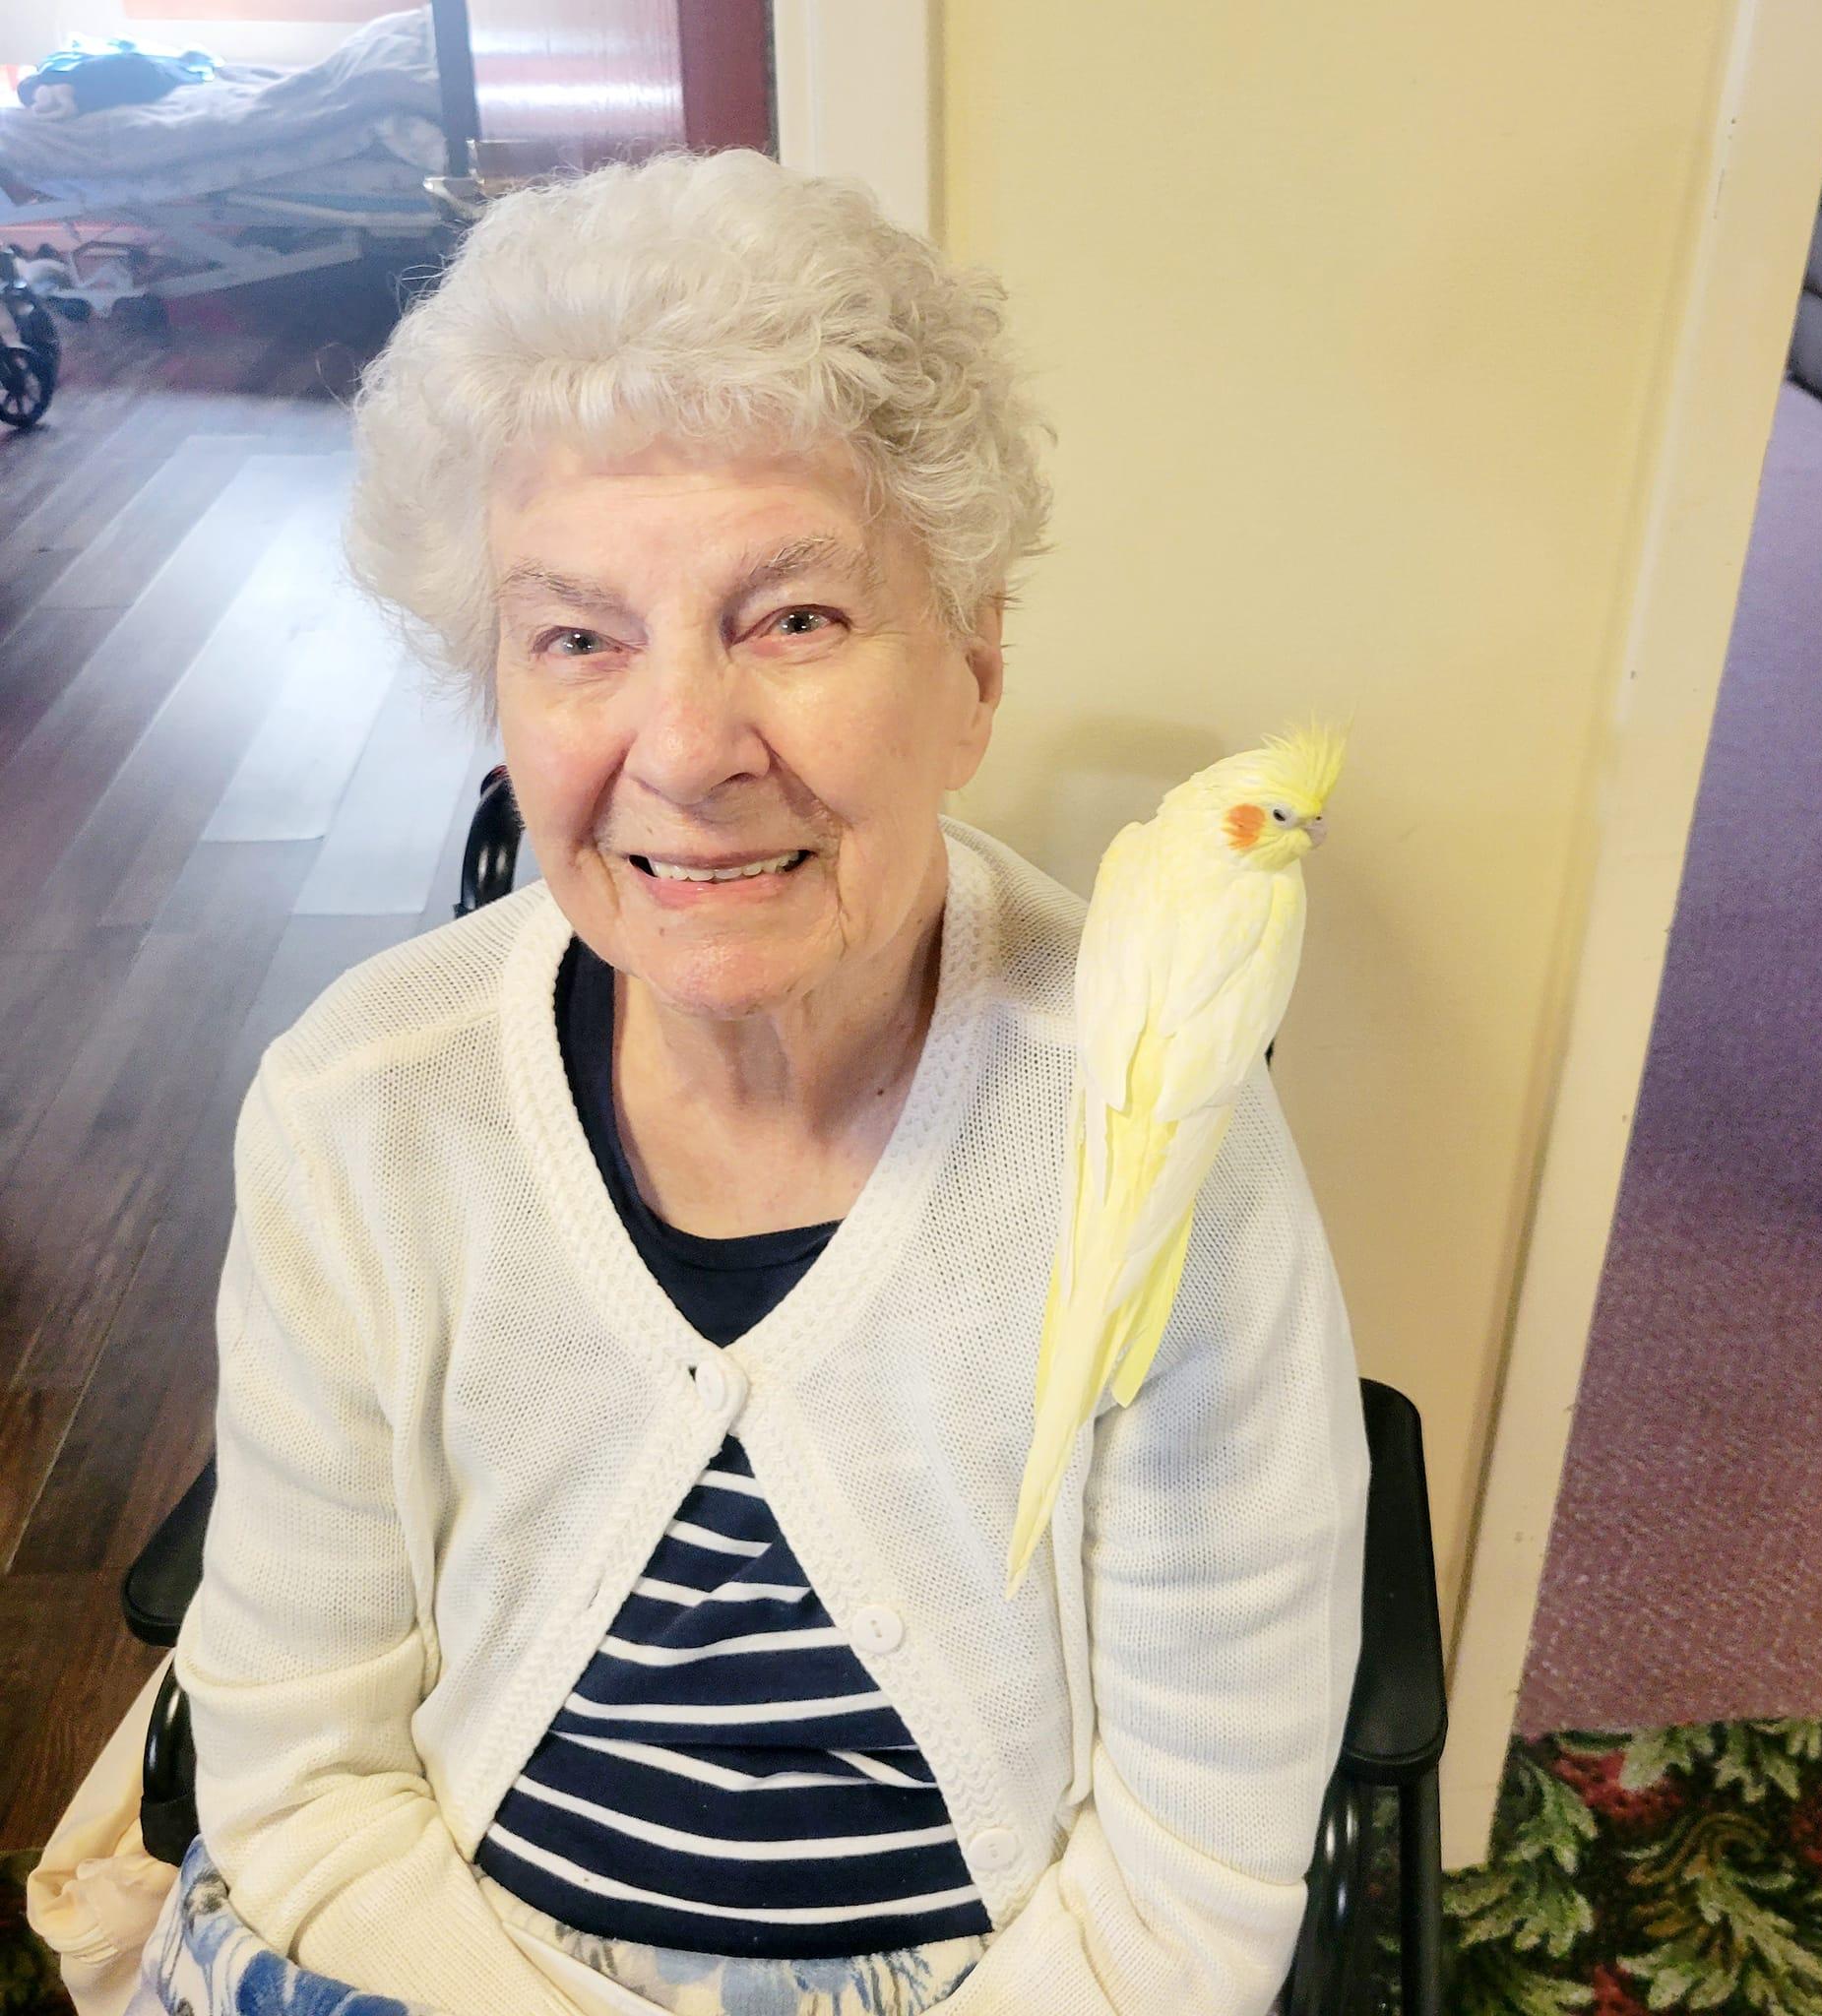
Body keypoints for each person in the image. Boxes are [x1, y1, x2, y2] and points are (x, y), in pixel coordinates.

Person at [150, 146, 1369, 2016]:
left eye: (792, 618)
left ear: (972, 675)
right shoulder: (361, 1105)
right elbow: (301, 1792)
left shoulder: (1157, 1136)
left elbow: (1190, 1877)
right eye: (578, 638)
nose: (687, 750)